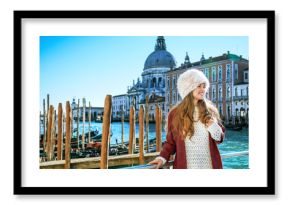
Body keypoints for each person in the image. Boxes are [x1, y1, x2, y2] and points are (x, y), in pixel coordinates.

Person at [149, 69, 225, 169]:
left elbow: (219, 139)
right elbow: (170, 142)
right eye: (199, 86)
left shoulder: (210, 110)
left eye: (204, 86)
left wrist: (213, 126)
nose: (203, 90)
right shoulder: (175, 113)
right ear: (188, 89)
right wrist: (162, 157)